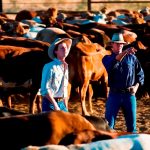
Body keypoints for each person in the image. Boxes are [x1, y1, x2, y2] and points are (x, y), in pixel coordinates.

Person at [102, 32, 144, 133]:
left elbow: (140, 74)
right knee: (109, 126)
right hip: (114, 94)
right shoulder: (106, 58)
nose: (120, 45)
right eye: (117, 43)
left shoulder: (132, 58)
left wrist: (136, 87)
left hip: (129, 95)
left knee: (132, 127)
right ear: (112, 45)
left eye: (121, 43)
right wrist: (125, 52)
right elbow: (113, 64)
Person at [40, 38, 72, 112]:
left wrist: (65, 106)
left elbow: (64, 89)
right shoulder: (49, 66)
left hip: (61, 103)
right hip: (50, 103)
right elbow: (44, 89)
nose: (65, 49)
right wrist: (55, 105)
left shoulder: (66, 66)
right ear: (56, 51)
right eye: (62, 48)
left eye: (66, 47)